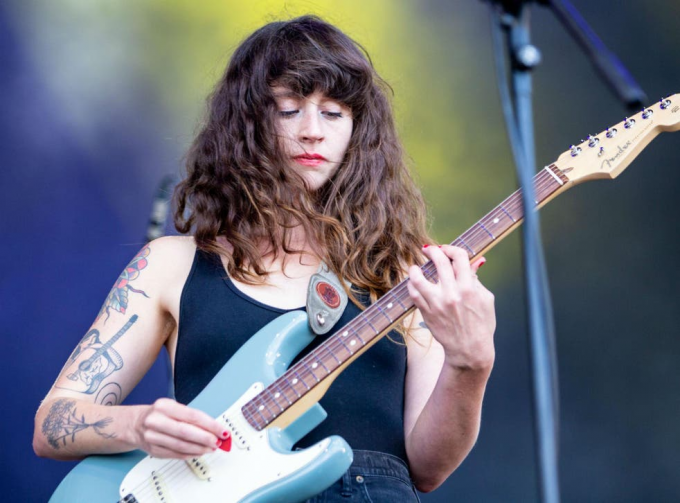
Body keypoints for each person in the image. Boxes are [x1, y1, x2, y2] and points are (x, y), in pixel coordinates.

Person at [33, 15, 496, 501]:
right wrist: (137, 424)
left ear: (359, 132)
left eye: (334, 113)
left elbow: (428, 467)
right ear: (246, 124)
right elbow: (53, 423)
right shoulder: (170, 265)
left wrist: (472, 363)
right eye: (289, 109)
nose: (313, 131)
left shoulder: (406, 275)